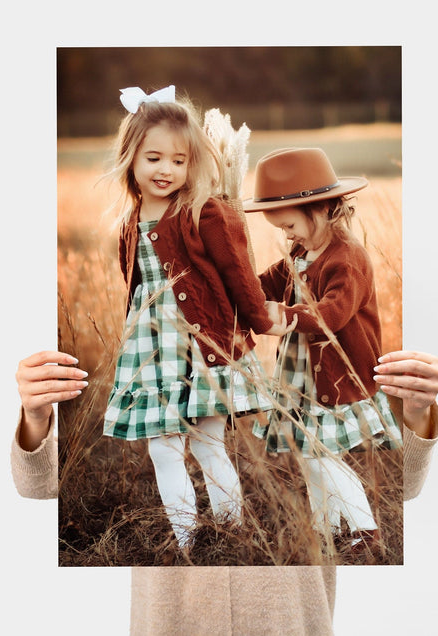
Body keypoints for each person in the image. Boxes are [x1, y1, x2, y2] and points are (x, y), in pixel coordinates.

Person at [12, 347, 438, 635]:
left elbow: (407, 486)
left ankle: (251, 527)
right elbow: (37, 486)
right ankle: (195, 537)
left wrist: (419, 414)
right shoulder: (137, 245)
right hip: (172, 623)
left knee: (253, 452)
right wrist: (35, 417)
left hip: (289, 622)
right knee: (175, 452)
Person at [98, 86, 296, 549]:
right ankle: (185, 541)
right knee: (163, 449)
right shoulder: (129, 223)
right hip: (152, 350)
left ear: (191, 164)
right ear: (130, 157)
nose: (166, 169)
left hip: (203, 346)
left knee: (209, 444)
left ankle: (232, 534)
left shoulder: (203, 212)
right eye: (153, 158)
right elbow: (136, 289)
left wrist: (259, 321)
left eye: (178, 160)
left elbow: (238, 274)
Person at [242, 147, 403, 556]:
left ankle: (363, 530)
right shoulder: (300, 252)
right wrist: (240, 293)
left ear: (322, 209)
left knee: (323, 455)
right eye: (280, 229)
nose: (287, 235)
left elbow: (332, 314)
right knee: (307, 454)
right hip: (300, 377)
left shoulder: (347, 260)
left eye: (290, 225)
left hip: (334, 377)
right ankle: (327, 526)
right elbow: (267, 284)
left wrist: (286, 317)